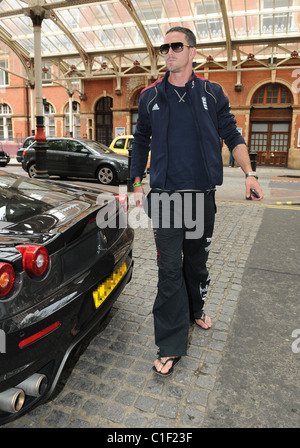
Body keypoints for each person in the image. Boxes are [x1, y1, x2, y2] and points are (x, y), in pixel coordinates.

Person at [130, 26, 263, 377]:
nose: (169, 52)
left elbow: (232, 134)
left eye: (176, 46)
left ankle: (195, 309)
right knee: (169, 268)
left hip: (202, 197)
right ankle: (171, 344)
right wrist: (134, 181)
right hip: (165, 199)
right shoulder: (150, 97)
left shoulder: (212, 92)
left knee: (197, 264)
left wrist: (250, 173)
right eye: (165, 47)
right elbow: (140, 139)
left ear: (192, 52)